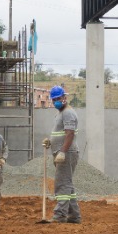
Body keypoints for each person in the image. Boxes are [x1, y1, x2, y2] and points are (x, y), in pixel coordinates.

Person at [43, 85, 81, 223]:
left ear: (65, 98)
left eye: (58, 99)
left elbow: (69, 134)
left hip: (67, 153)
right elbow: (59, 133)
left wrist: (63, 152)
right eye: (54, 100)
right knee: (67, 185)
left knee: (62, 184)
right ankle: (74, 216)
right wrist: (50, 141)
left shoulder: (68, 113)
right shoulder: (60, 113)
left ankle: (59, 215)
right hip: (61, 152)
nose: (56, 102)